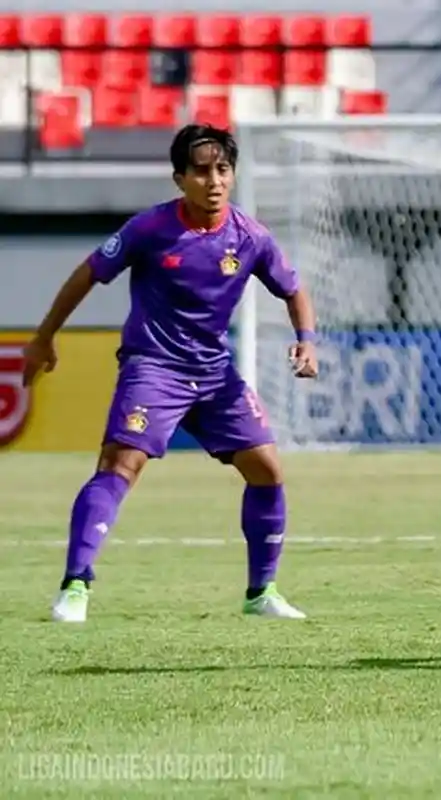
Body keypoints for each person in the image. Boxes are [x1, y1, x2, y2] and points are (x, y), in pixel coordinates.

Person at [22, 124, 317, 623]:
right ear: (180, 178)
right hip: (153, 368)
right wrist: (44, 336)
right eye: (201, 171)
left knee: (267, 469)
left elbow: (293, 288)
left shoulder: (250, 237)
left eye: (222, 169)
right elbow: (88, 273)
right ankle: (75, 586)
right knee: (120, 466)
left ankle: (260, 592)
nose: (214, 181)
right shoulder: (151, 229)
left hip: (213, 371)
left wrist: (307, 341)